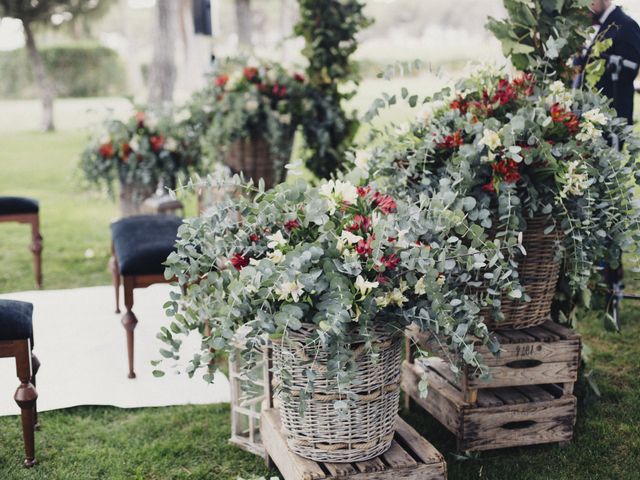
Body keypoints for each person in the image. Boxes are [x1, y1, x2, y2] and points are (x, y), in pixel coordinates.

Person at [583, 1, 640, 124]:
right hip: (589, 113)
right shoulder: (588, 23)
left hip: (613, 115)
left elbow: (630, 71)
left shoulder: (627, 25)